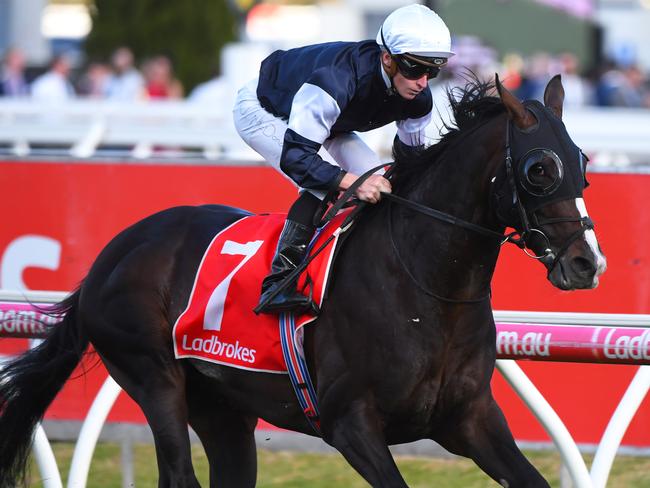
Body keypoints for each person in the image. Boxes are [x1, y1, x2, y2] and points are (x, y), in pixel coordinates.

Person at [233, 4, 453, 314]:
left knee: (386, 184)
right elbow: (298, 158)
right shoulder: (336, 79)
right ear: (387, 58)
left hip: (335, 122)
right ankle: (278, 282)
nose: (422, 81)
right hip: (264, 109)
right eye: (415, 69)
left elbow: (412, 163)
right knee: (323, 183)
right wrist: (353, 182)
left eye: (433, 70)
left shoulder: (419, 99)